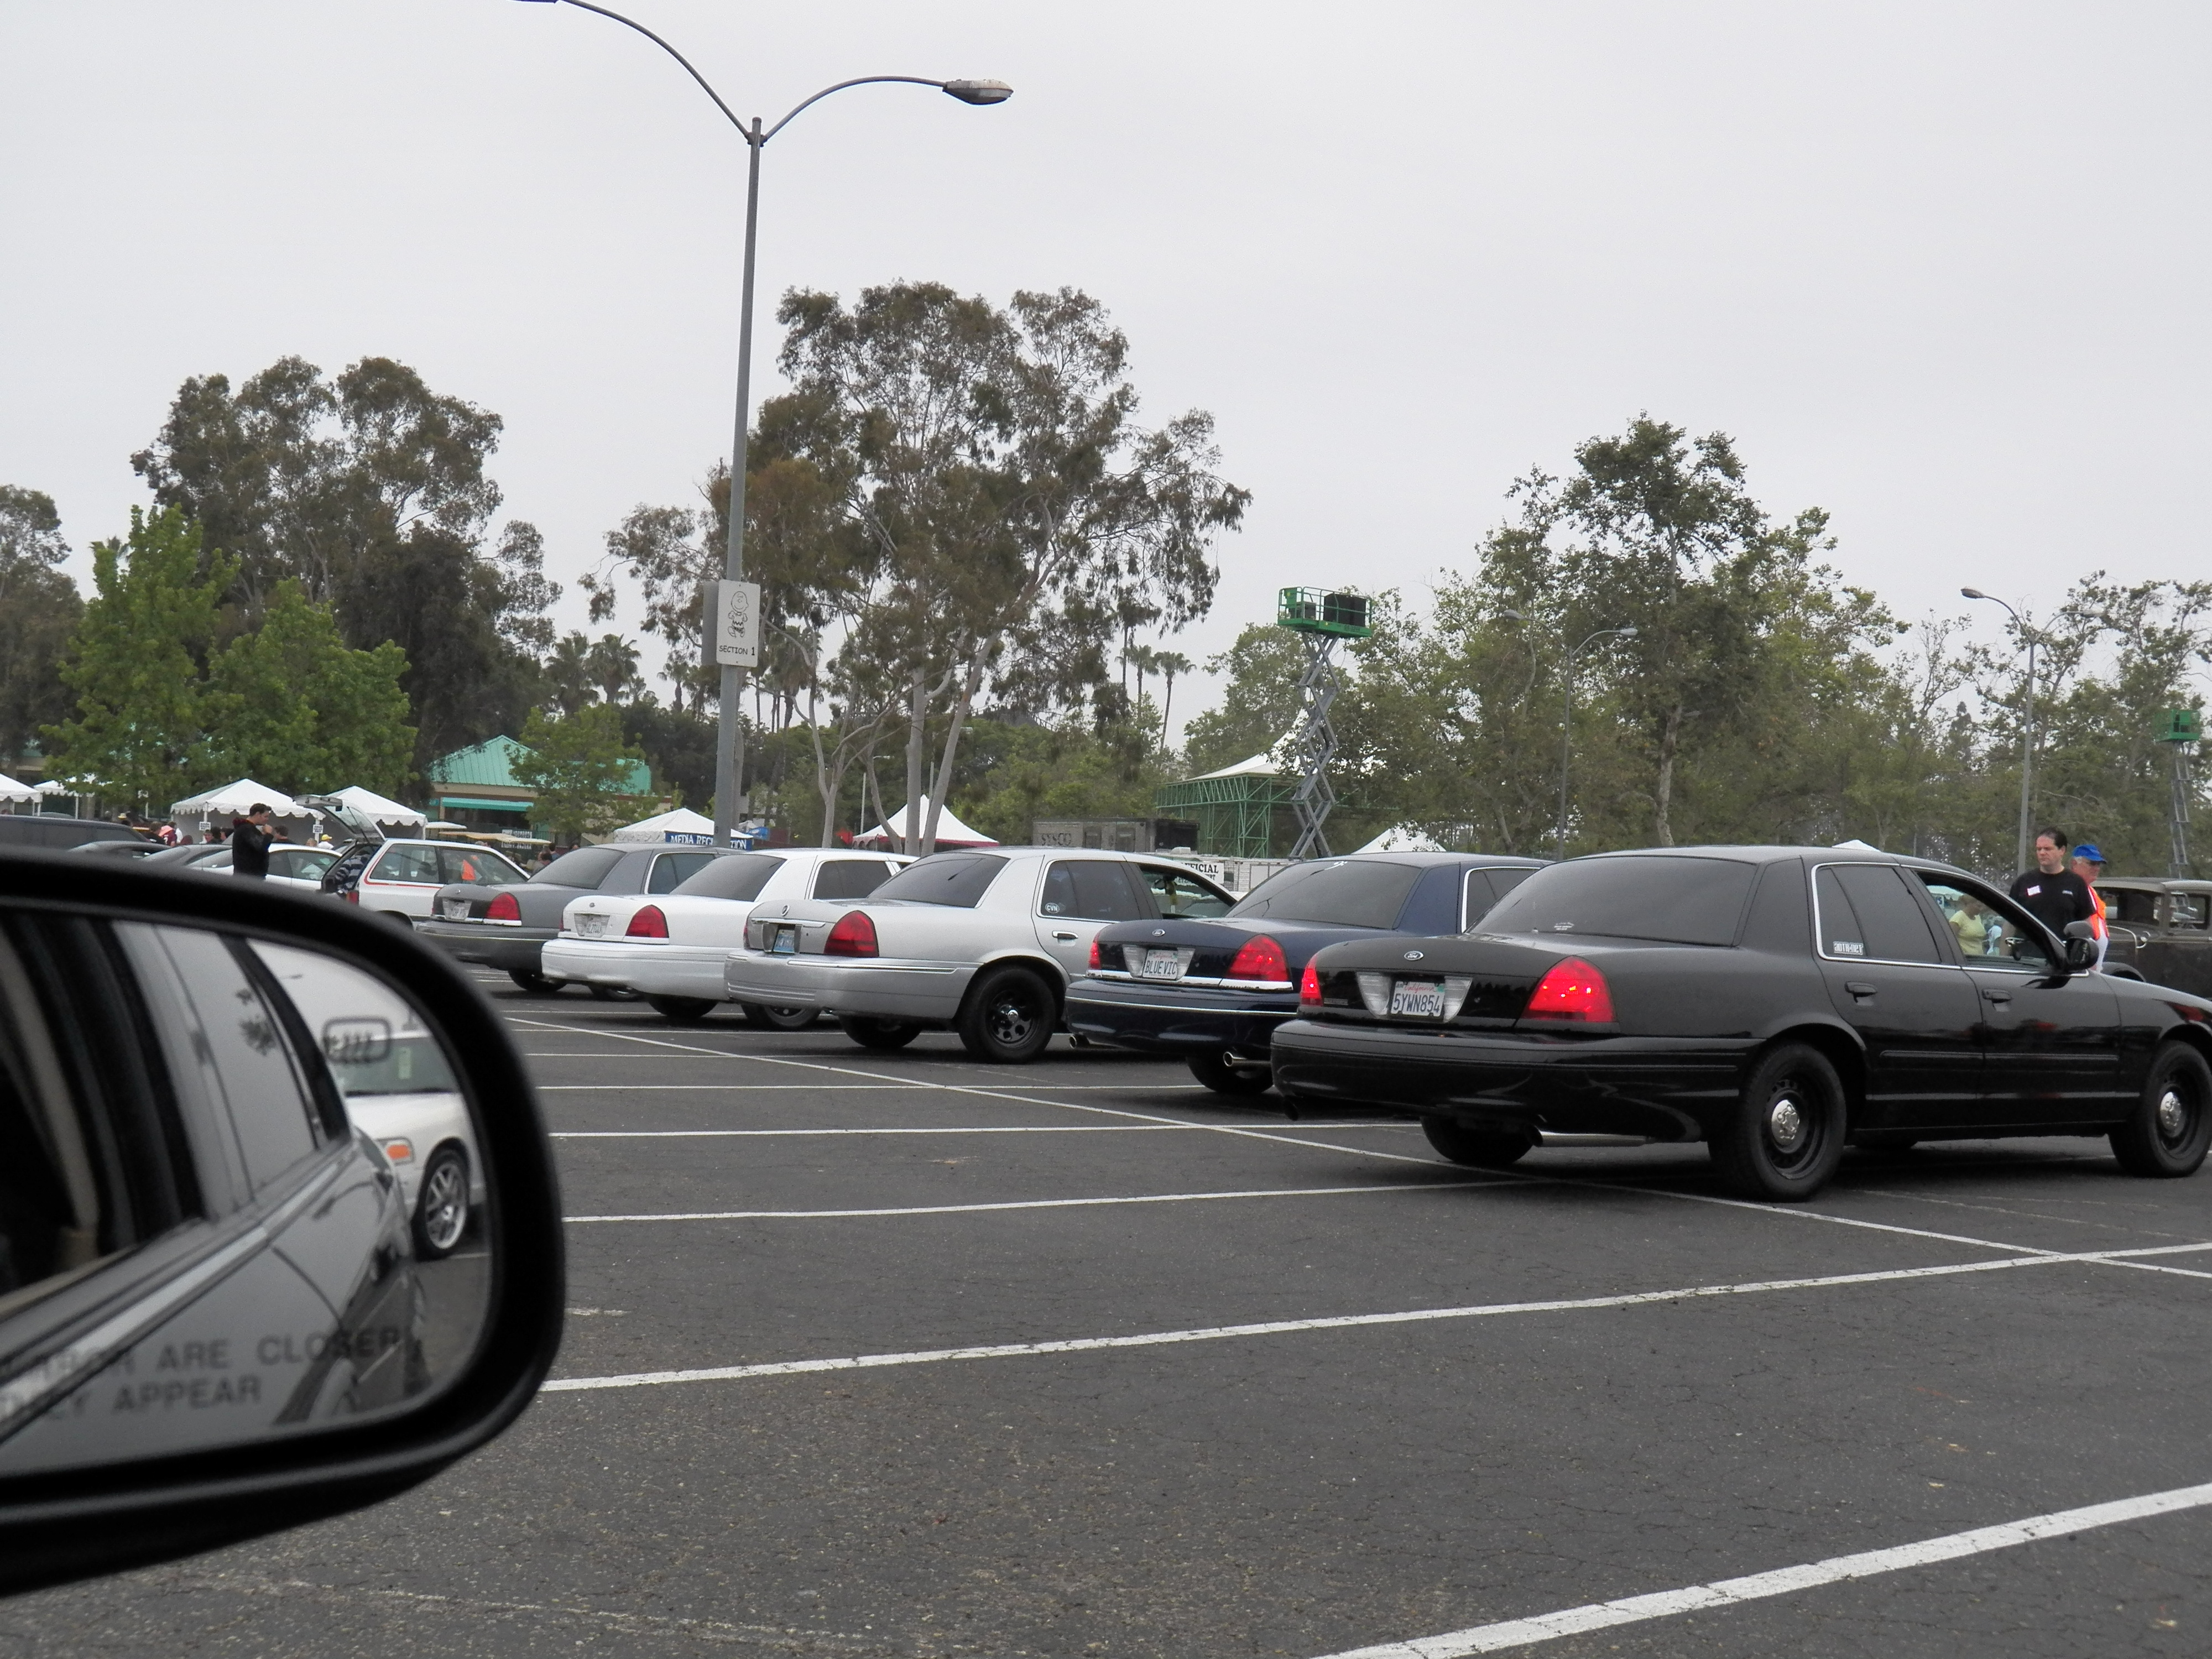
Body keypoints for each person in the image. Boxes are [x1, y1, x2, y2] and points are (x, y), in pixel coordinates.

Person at [2008, 826, 2093, 941]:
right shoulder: (2023, 882)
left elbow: (2086, 924)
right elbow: (2010, 923)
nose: (2042, 853)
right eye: (2039, 849)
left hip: (2062, 951)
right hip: (2027, 951)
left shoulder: (2076, 883)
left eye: (2048, 849)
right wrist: (2003, 951)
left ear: (2062, 850)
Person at [2072, 843, 2110, 970]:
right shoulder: (2070, 890)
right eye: (2092, 864)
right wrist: (2086, 960)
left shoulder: (2091, 891)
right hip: (2081, 968)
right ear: (2075, 864)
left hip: (2093, 969)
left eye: (2098, 864)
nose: (2097, 868)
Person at [229, 804, 278, 880]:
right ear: (258, 814)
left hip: (248, 875)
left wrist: (263, 836)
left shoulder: (247, 828)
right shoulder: (247, 829)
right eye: (265, 816)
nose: (267, 819)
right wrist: (269, 835)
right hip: (249, 877)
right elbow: (261, 847)